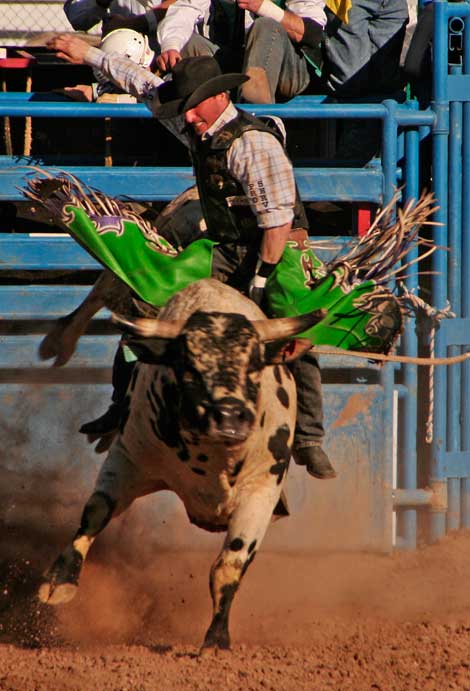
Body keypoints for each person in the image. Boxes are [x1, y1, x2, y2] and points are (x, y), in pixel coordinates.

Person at [47, 35, 337, 479]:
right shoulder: (200, 124)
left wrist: (258, 285)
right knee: (145, 299)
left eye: (194, 105)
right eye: (183, 105)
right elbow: (144, 84)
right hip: (224, 246)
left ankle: (310, 437)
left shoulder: (254, 145)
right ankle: (122, 404)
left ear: (220, 97)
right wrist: (87, 54)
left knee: (293, 321)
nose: (186, 114)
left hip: (278, 250)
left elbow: (276, 224)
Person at [155, 0, 326, 103]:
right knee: (183, 41)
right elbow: (186, 9)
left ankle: (256, 120)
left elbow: (312, 33)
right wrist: (171, 46)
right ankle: (191, 129)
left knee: (265, 25)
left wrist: (264, 7)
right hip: (235, 62)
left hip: (289, 69)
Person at [323, 0, 409, 163]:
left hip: (392, 5)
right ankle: (349, 168)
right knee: (352, 83)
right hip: (351, 4)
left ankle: (371, 166)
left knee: (385, 86)